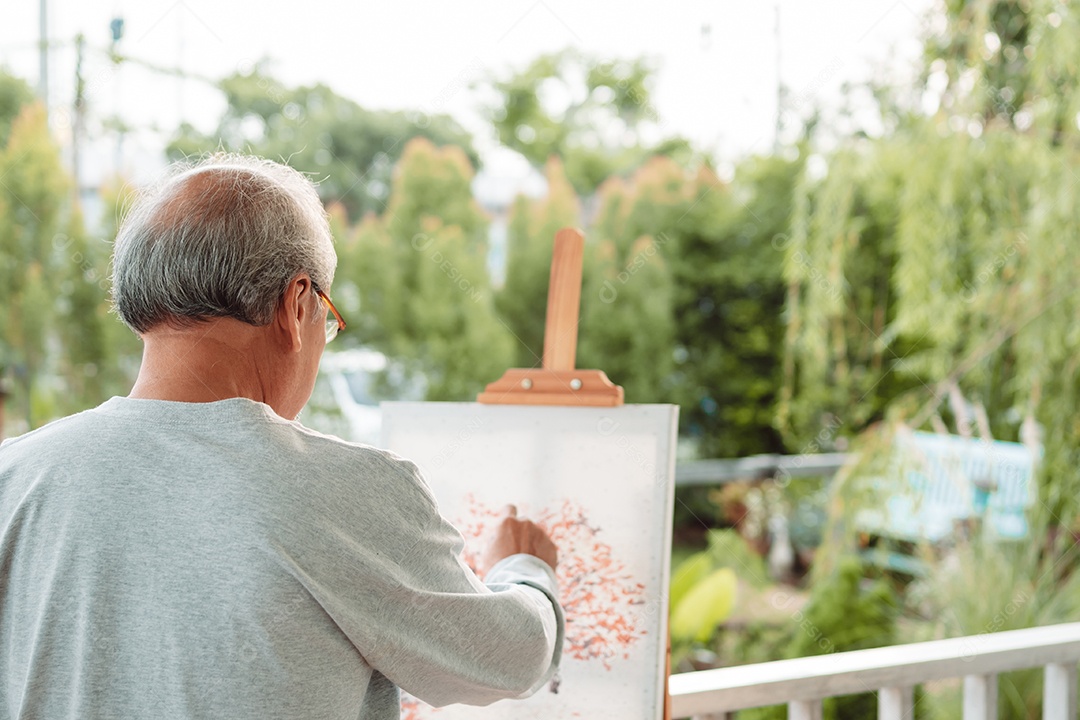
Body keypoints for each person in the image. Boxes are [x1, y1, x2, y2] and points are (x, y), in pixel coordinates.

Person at [0, 154, 564, 720]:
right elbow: (508, 659)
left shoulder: (15, 475)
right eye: (328, 315)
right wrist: (524, 570)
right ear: (297, 306)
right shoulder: (343, 490)